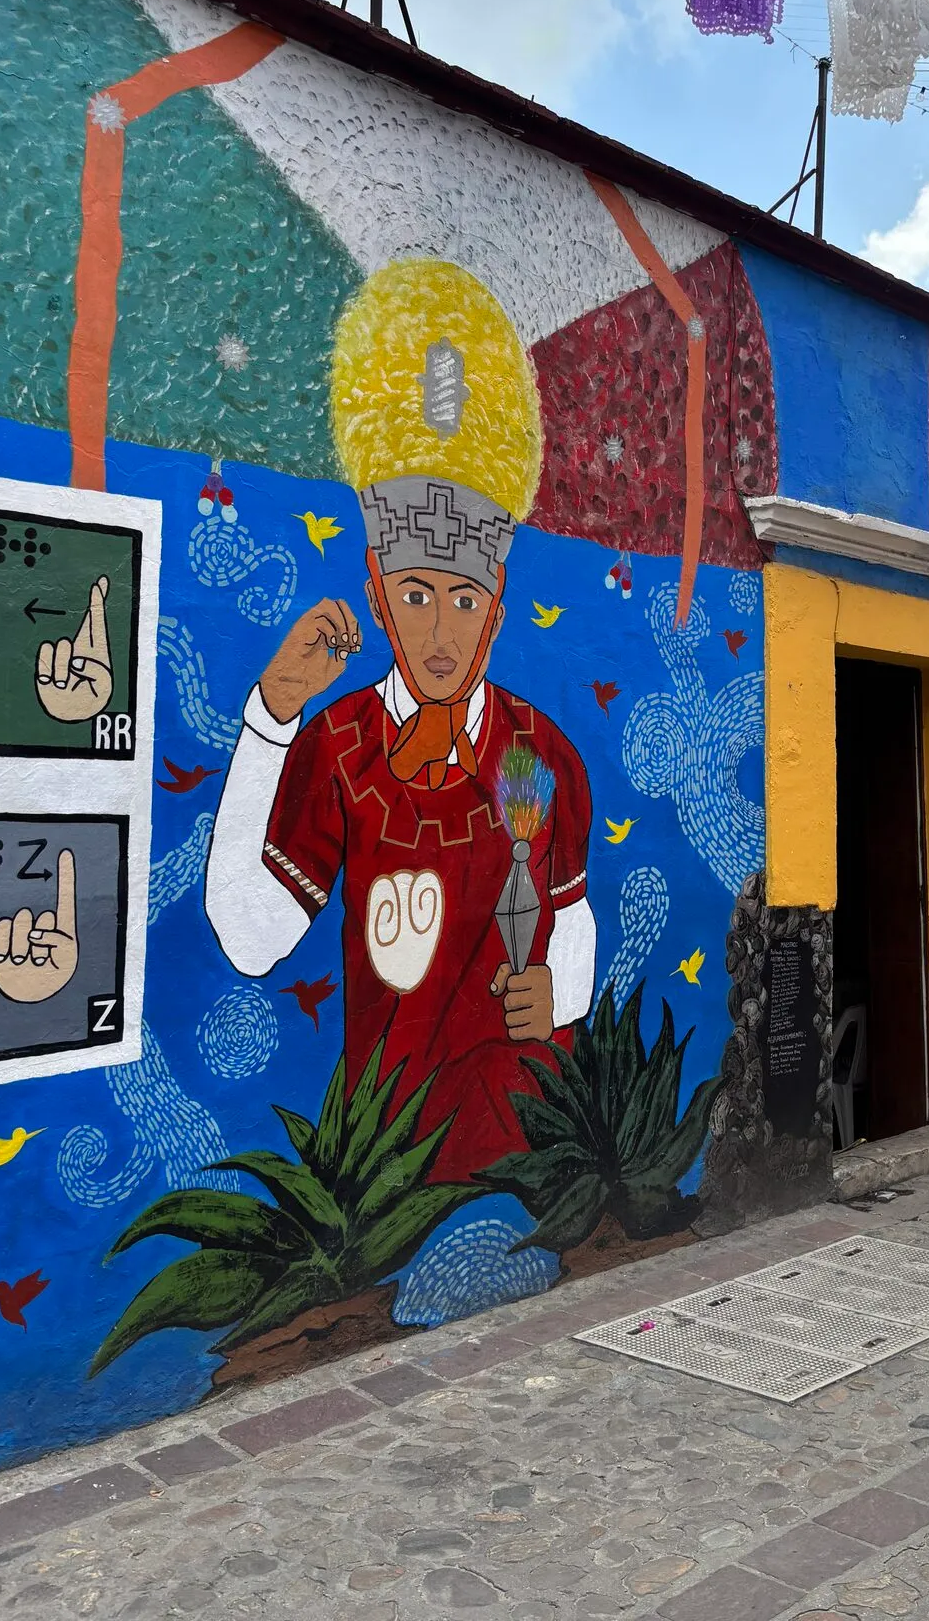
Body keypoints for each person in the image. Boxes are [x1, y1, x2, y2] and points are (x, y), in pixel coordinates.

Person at [205, 261, 594, 1185]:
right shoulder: (338, 746)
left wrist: (562, 991)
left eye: (464, 602)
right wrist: (268, 720)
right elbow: (253, 938)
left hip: (532, 1138)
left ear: (497, 609)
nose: (440, 632)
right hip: (392, 1159)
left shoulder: (540, 753)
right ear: (378, 597)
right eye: (416, 595)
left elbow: (570, 910)